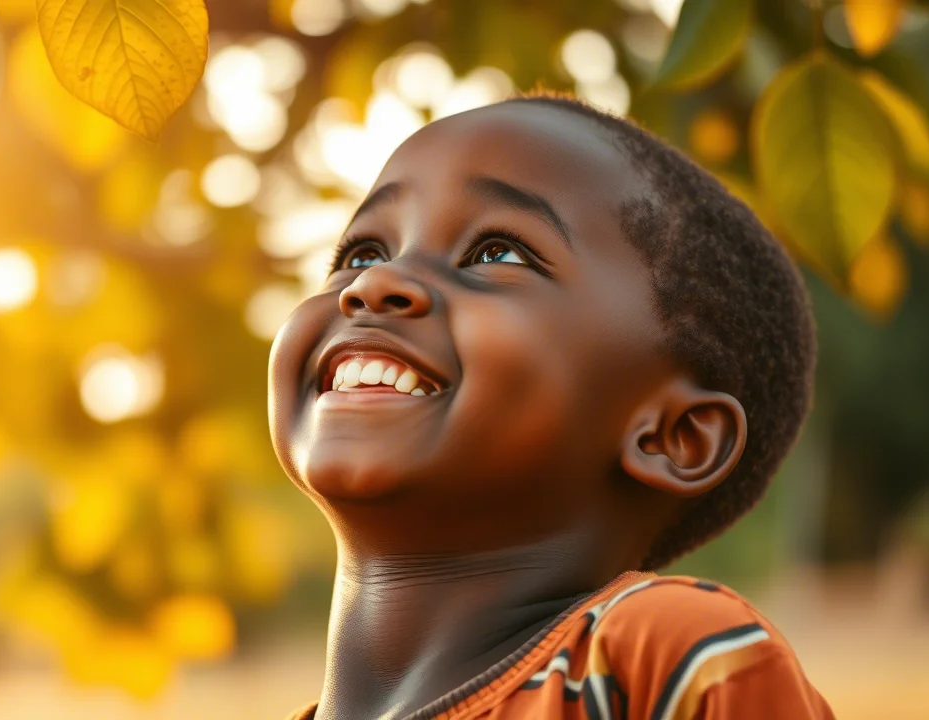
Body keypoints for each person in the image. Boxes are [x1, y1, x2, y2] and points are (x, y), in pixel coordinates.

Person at [267, 93, 834, 719]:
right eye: (362, 253)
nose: (373, 286)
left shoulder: (656, 657)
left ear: (673, 437)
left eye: (496, 253)